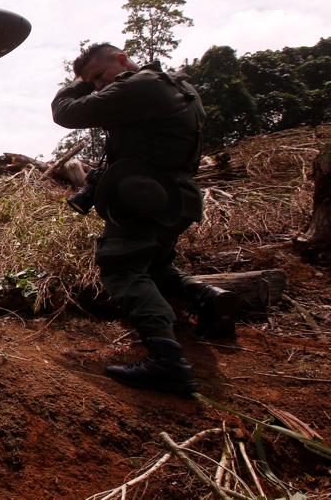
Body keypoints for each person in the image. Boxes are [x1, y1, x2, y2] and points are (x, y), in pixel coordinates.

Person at [52, 43, 238, 394]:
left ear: (122, 59)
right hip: (177, 197)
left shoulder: (140, 85)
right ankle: (207, 296)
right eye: (91, 83)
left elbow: (65, 113)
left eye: (98, 76)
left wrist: (76, 84)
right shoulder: (179, 85)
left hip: (145, 196)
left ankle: (166, 360)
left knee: (122, 269)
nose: (98, 87)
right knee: (153, 266)